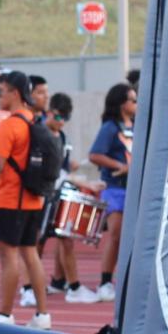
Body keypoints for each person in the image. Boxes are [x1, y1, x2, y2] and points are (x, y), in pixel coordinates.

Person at [0, 70, 50, 328]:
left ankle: (5, 313)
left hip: (10, 200)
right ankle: (43, 314)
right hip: (33, 200)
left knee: (9, 258)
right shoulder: (33, 121)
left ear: (15, 93)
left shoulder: (9, 125)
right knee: (31, 255)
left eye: (2, 91)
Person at [37, 93, 98, 305]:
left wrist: (69, 167)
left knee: (65, 238)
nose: (62, 122)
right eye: (60, 117)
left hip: (58, 194)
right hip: (42, 194)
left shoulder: (62, 138)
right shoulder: (41, 134)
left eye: (66, 118)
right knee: (37, 242)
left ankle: (68, 284)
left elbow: (61, 167)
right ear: (50, 112)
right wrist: (81, 181)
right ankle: (31, 287)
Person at [88, 81, 136, 300]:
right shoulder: (110, 128)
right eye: (133, 100)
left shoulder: (137, 126)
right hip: (116, 188)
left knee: (131, 237)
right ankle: (105, 282)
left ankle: (125, 280)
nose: (137, 104)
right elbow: (95, 154)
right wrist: (120, 166)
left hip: (134, 189)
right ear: (121, 104)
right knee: (115, 235)